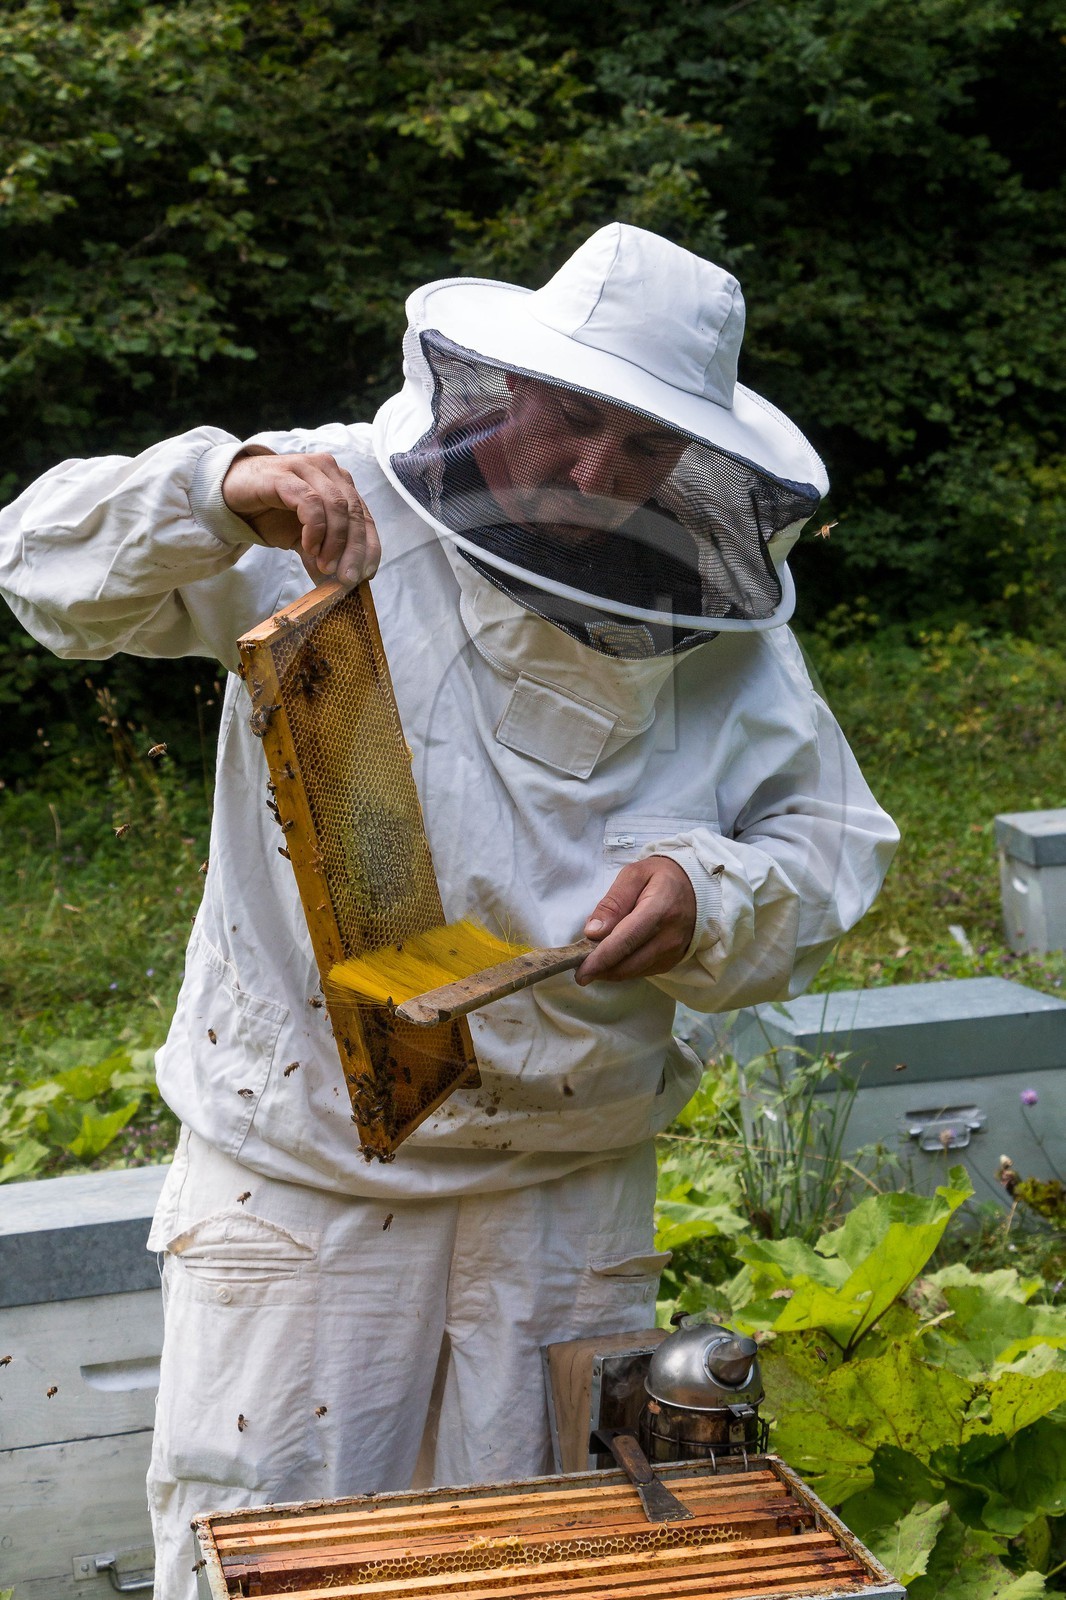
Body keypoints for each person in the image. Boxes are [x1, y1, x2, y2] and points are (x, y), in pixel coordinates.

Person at [0, 222, 898, 1595]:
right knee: (278, 1551)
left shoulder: (725, 627)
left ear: (695, 462)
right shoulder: (327, 501)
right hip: (306, 1194)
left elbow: (829, 845)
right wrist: (214, 487)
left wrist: (710, 895)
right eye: (573, 419)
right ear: (503, 384)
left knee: (547, 1558)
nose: (598, 474)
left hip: (569, 1193)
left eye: (645, 448)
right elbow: (40, 568)